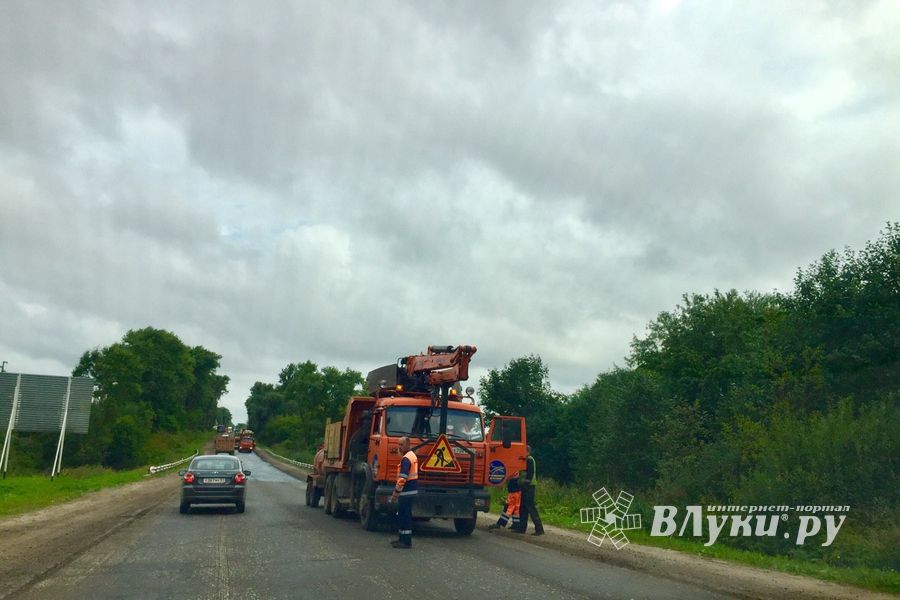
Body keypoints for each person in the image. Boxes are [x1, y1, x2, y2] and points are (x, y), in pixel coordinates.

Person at [390, 436, 418, 548]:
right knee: (404, 515)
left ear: (407, 445)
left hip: (406, 492)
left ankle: (405, 542)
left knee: (404, 516)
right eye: (398, 445)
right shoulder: (411, 456)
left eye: (401, 445)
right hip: (411, 491)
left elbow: (402, 478)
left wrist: (395, 493)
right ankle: (402, 539)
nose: (399, 447)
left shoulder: (406, 459)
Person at [514, 445, 544, 536]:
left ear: (527, 452)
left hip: (529, 487)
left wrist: (526, 484)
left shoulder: (529, 460)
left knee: (530, 507)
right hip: (525, 486)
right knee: (523, 508)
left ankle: (539, 529)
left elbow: (529, 475)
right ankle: (522, 528)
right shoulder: (526, 460)